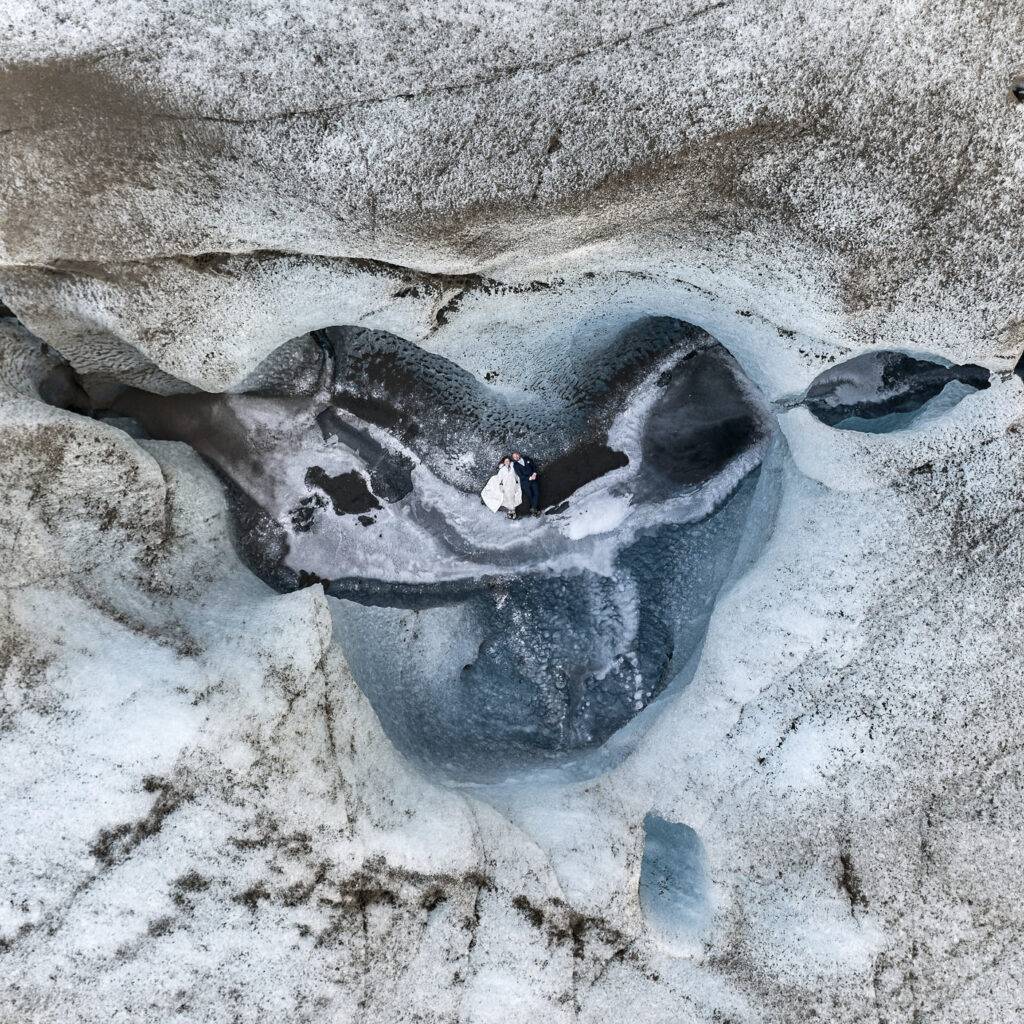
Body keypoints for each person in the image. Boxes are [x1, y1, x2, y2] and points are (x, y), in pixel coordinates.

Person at [511, 451, 541, 516]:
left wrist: (535, 474)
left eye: (516, 455)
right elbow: (520, 475)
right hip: (525, 483)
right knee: (530, 496)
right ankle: (534, 511)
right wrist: (529, 478)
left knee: (537, 493)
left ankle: (533, 508)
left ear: (519, 454)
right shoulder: (515, 465)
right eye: (514, 457)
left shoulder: (526, 458)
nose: (516, 457)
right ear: (514, 459)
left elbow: (534, 466)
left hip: (534, 479)